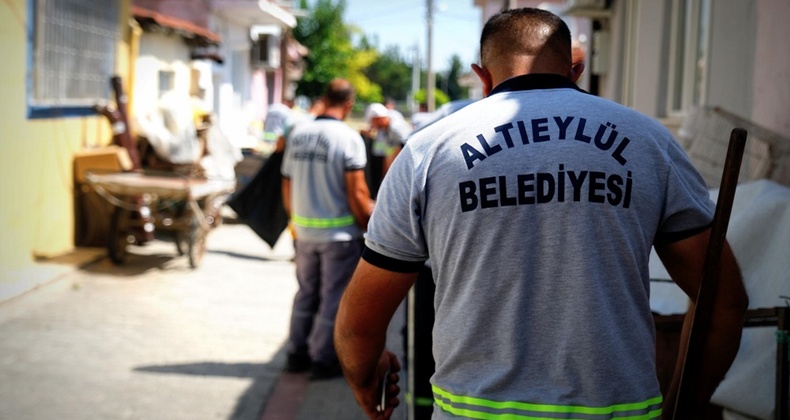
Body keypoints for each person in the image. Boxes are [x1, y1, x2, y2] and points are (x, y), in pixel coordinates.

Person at [334, 7, 748, 420]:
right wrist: (682, 407)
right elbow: (723, 300)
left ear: (482, 77)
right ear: (575, 71)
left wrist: (364, 377)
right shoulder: (650, 142)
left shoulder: (429, 151)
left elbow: (360, 324)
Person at [281, 79, 374, 380]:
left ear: (324, 98)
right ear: (348, 104)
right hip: (339, 237)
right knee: (333, 296)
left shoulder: (299, 133)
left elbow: (286, 184)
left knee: (306, 293)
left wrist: (296, 222)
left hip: (304, 233)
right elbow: (358, 194)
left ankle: (296, 353)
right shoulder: (348, 138)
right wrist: (369, 227)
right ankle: (323, 360)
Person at [360, 102, 412, 198]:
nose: (372, 126)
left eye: (372, 122)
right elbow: (384, 153)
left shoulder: (395, 127)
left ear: (378, 119)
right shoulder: (385, 127)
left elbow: (407, 146)